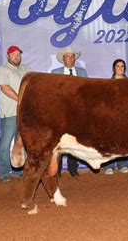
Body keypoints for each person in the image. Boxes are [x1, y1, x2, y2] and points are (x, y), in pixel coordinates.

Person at [0, 45, 31, 182]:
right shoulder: (2, 69)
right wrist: (21, 100)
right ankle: (4, 171)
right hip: (10, 112)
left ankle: (19, 169)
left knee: (23, 142)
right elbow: (4, 88)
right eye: (13, 54)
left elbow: (32, 84)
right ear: (8, 56)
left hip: (25, 113)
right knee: (5, 142)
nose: (16, 57)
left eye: (18, 54)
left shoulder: (26, 69)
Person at [52, 46, 88, 177]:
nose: (70, 59)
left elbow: (86, 93)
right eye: (68, 56)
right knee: (59, 141)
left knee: (74, 141)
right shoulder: (55, 73)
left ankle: (73, 168)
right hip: (61, 113)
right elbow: (53, 93)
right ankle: (58, 170)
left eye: (72, 56)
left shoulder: (82, 72)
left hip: (77, 112)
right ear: (63, 59)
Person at [103, 59, 128, 175]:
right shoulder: (108, 83)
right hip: (112, 116)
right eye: (118, 66)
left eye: (122, 66)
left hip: (125, 116)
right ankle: (108, 166)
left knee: (124, 141)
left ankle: (123, 164)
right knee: (110, 141)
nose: (120, 68)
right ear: (114, 68)